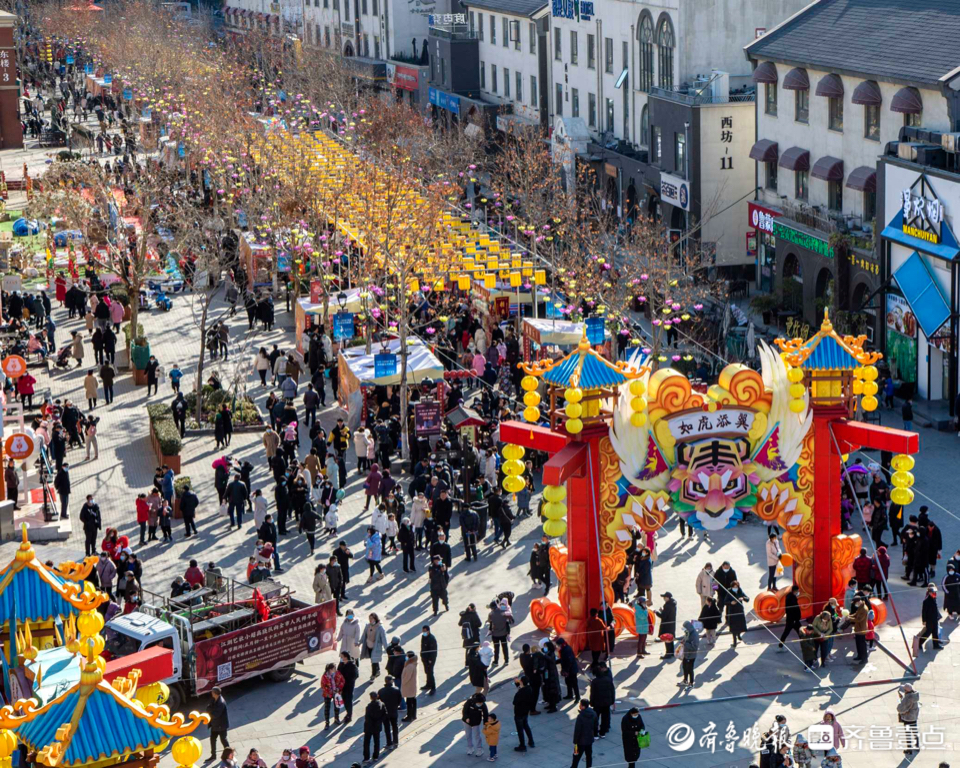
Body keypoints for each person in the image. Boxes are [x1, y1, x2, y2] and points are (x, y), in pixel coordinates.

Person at [589, 662, 615, 736]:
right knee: (605, 717)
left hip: (598, 703)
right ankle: (603, 732)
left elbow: (593, 693)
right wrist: (612, 700)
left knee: (595, 717)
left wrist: (591, 702)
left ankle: (595, 732)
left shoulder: (595, 682)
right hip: (607, 702)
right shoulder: (608, 680)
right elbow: (612, 691)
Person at [570, 699, 597, 768]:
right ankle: (589, 766)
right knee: (589, 755)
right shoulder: (593, 713)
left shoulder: (581, 716)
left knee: (576, 756)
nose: (579, 706)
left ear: (583, 706)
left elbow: (577, 730)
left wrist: (575, 741)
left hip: (581, 741)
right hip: (589, 739)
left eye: (580, 704)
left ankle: (574, 767)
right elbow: (595, 725)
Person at [360, 613, 388, 679]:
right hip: (369, 646)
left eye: (372, 618)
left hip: (376, 647)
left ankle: (373, 675)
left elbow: (384, 638)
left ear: (375, 618)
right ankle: (377, 670)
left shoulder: (380, 628)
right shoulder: (368, 626)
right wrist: (359, 642)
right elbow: (364, 635)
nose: (370, 620)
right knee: (374, 660)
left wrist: (387, 648)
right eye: (369, 618)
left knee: (373, 661)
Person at [512, 676, 536, 752]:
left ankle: (522, 745)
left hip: (519, 712)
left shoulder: (520, 693)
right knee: (526, 726)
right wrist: (517, 683)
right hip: (525, 712)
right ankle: (531, 741)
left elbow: (514, 702)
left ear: (522, 682)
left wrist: (518, 689)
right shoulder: (529, 689)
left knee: (520, 730)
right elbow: (522, 688)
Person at [377, 675, 402, 749]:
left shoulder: (381, 691)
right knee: (395, 726)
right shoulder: (396, 689)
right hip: (394, 711)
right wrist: (396, 706)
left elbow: (380, 701)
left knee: (387, 728)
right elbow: (399, 700)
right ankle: (396, 741)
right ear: (391, 681)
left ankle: (389, 743)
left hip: (385, 712)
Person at [462, 693, 489, 757]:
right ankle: (470, 748)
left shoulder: (483, 705)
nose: (480, 704)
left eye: (481, 702)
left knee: (477, 736)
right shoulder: (469, 702)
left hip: (476, 722)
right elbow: (464, 711)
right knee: (468, 735)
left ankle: (480, 749)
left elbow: (485, 715)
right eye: (479, 702)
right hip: (467, 722)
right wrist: (466, 718)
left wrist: (485, 724)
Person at [487, 600, 514, 666]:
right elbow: (512, 621)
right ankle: (506, 661)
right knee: (504, 647)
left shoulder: (491, 614)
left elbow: (489, 621)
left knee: (496, 648)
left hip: (495, 634)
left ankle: (496, 662)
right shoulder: (504, 612)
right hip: (503, 633)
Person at [897, 683, 920, 756]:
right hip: (914, 717)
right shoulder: (914, 696)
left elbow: (900, 709)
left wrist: (901, 701)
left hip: (908, 719)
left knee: (908, 733)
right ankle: (917, 745)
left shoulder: (907, 698)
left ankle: (909, 749)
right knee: (915, 731)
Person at [362, 692, 386, 764]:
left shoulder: (369, 707)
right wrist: (380, 721)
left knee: (366, 742)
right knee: (377, 741)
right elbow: (385, 715)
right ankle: (376, 756)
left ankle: (366, 758)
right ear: (377, 696)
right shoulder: (382, 705)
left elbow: (367, 718)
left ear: (371, 698)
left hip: (369, 727)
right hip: (377, 726)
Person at [919, 584, 944, 651]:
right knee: (927, 633)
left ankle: (936, 645)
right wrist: (924, 621)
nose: (934, 593)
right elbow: (924, 612)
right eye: (933, 592)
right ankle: (919, 643)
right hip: (929, 620)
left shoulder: (934, 599)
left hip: (934, 619)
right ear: (929, 593)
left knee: (935, 633)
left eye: (935, 592)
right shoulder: (926, 601)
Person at [208, 687, 229, 760]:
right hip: (215, 725)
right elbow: (208, 707)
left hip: (221, 726)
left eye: (212, 692)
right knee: (212, 739)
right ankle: (213, 755)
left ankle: (229, 755)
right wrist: (210, 711)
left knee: (223, 740)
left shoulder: (221, 703)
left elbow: (216, 715)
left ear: (215, 693)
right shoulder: (214, 699)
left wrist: (210, 712)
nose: (211, 693)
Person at [778, 585, 802, 651]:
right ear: (795, 591)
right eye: (798, 591)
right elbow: (794, 610)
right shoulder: (793, 599)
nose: (798, 592)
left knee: (787, 632)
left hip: (791, 619)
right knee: (800, 632)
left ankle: (780, 645)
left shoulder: (789, 597)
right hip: (794, 620)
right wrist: (795, 619)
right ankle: (804, 645)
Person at [338, 652, 358, 723]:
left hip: (349, 686)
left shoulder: (352, 666)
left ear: (346, 657)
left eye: (342, 657)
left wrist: (346, 680)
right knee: (345, 701)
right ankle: (348, 713)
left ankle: (349, 715)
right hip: (342, 686)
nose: (341, 658)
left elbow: (355, 675)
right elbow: (338, 672)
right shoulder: (341, 664)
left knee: (348, 701)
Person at [656, 592, 677, 659]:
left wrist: (656, 612)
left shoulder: (667, 606)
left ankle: (668, 654)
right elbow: (667, 614)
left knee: (667, 639)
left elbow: (663, 616)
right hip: (671, 625)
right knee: (670, 639)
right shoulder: (673, 604)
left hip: (666, 625)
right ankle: (671, 653)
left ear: (668, 598)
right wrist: (663, 611)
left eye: (664, 597)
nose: (664, 599)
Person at [679, 621, 699, 688]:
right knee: (684, 667)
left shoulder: (695, 635)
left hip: (691, 656)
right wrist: (683, 641)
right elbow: (685, 638)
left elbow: (694, 647)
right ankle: (685, 680)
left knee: (690, 669)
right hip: (686, 654)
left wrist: (685, 643)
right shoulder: (688, 632)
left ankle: (691, 683)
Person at [400, 650, 419, 721]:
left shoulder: (410, 666)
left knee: (409, 702)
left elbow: (407, 677)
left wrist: (403, 682)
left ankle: (409, 716)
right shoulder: (413, 663)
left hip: (409, 686)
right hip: (412, 686)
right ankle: (413, 715)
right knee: (413, 701)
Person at [420, 625, 437, 695]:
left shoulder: (432, 639)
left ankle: (433, 687)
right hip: (424, 658)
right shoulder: (423, 637)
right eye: (423, 631)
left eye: (425, 631)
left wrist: (430, 660)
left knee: (430, 673)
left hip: (430, 659)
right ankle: (428, 684)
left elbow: (433, 651)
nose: (423, 632)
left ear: (428, 631)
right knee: (427, 672)